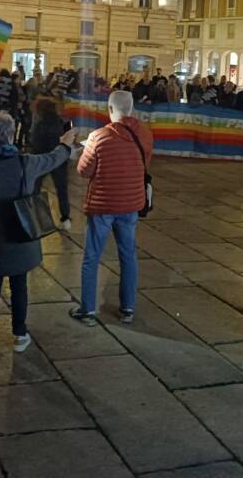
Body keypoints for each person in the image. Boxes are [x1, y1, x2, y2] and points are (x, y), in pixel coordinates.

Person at [0, 112, 77, 352]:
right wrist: (66, 143)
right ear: (9, 136)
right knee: (19, 285)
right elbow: (53, 158)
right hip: (20, 236)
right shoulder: (24, 163)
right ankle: (19, 334)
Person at [70, 90, 153, 326]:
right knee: (128, 256)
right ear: (132, 109)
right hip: (130, 205)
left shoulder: (98, 136)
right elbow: (143, 163)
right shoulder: (145, 135)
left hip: (103, 205)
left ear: (109, 109)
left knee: (92, 257)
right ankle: (128, 308)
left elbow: (84, 171)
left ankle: (87, 309)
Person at [30, 98, 73, 230]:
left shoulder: (40, 123)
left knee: (34, 188)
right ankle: (65, 218)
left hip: (42, 159)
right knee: (62, 189)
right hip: (59, 158)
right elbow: (69, 139)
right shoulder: (63, 121)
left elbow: (35, 143)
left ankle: (36, 217)